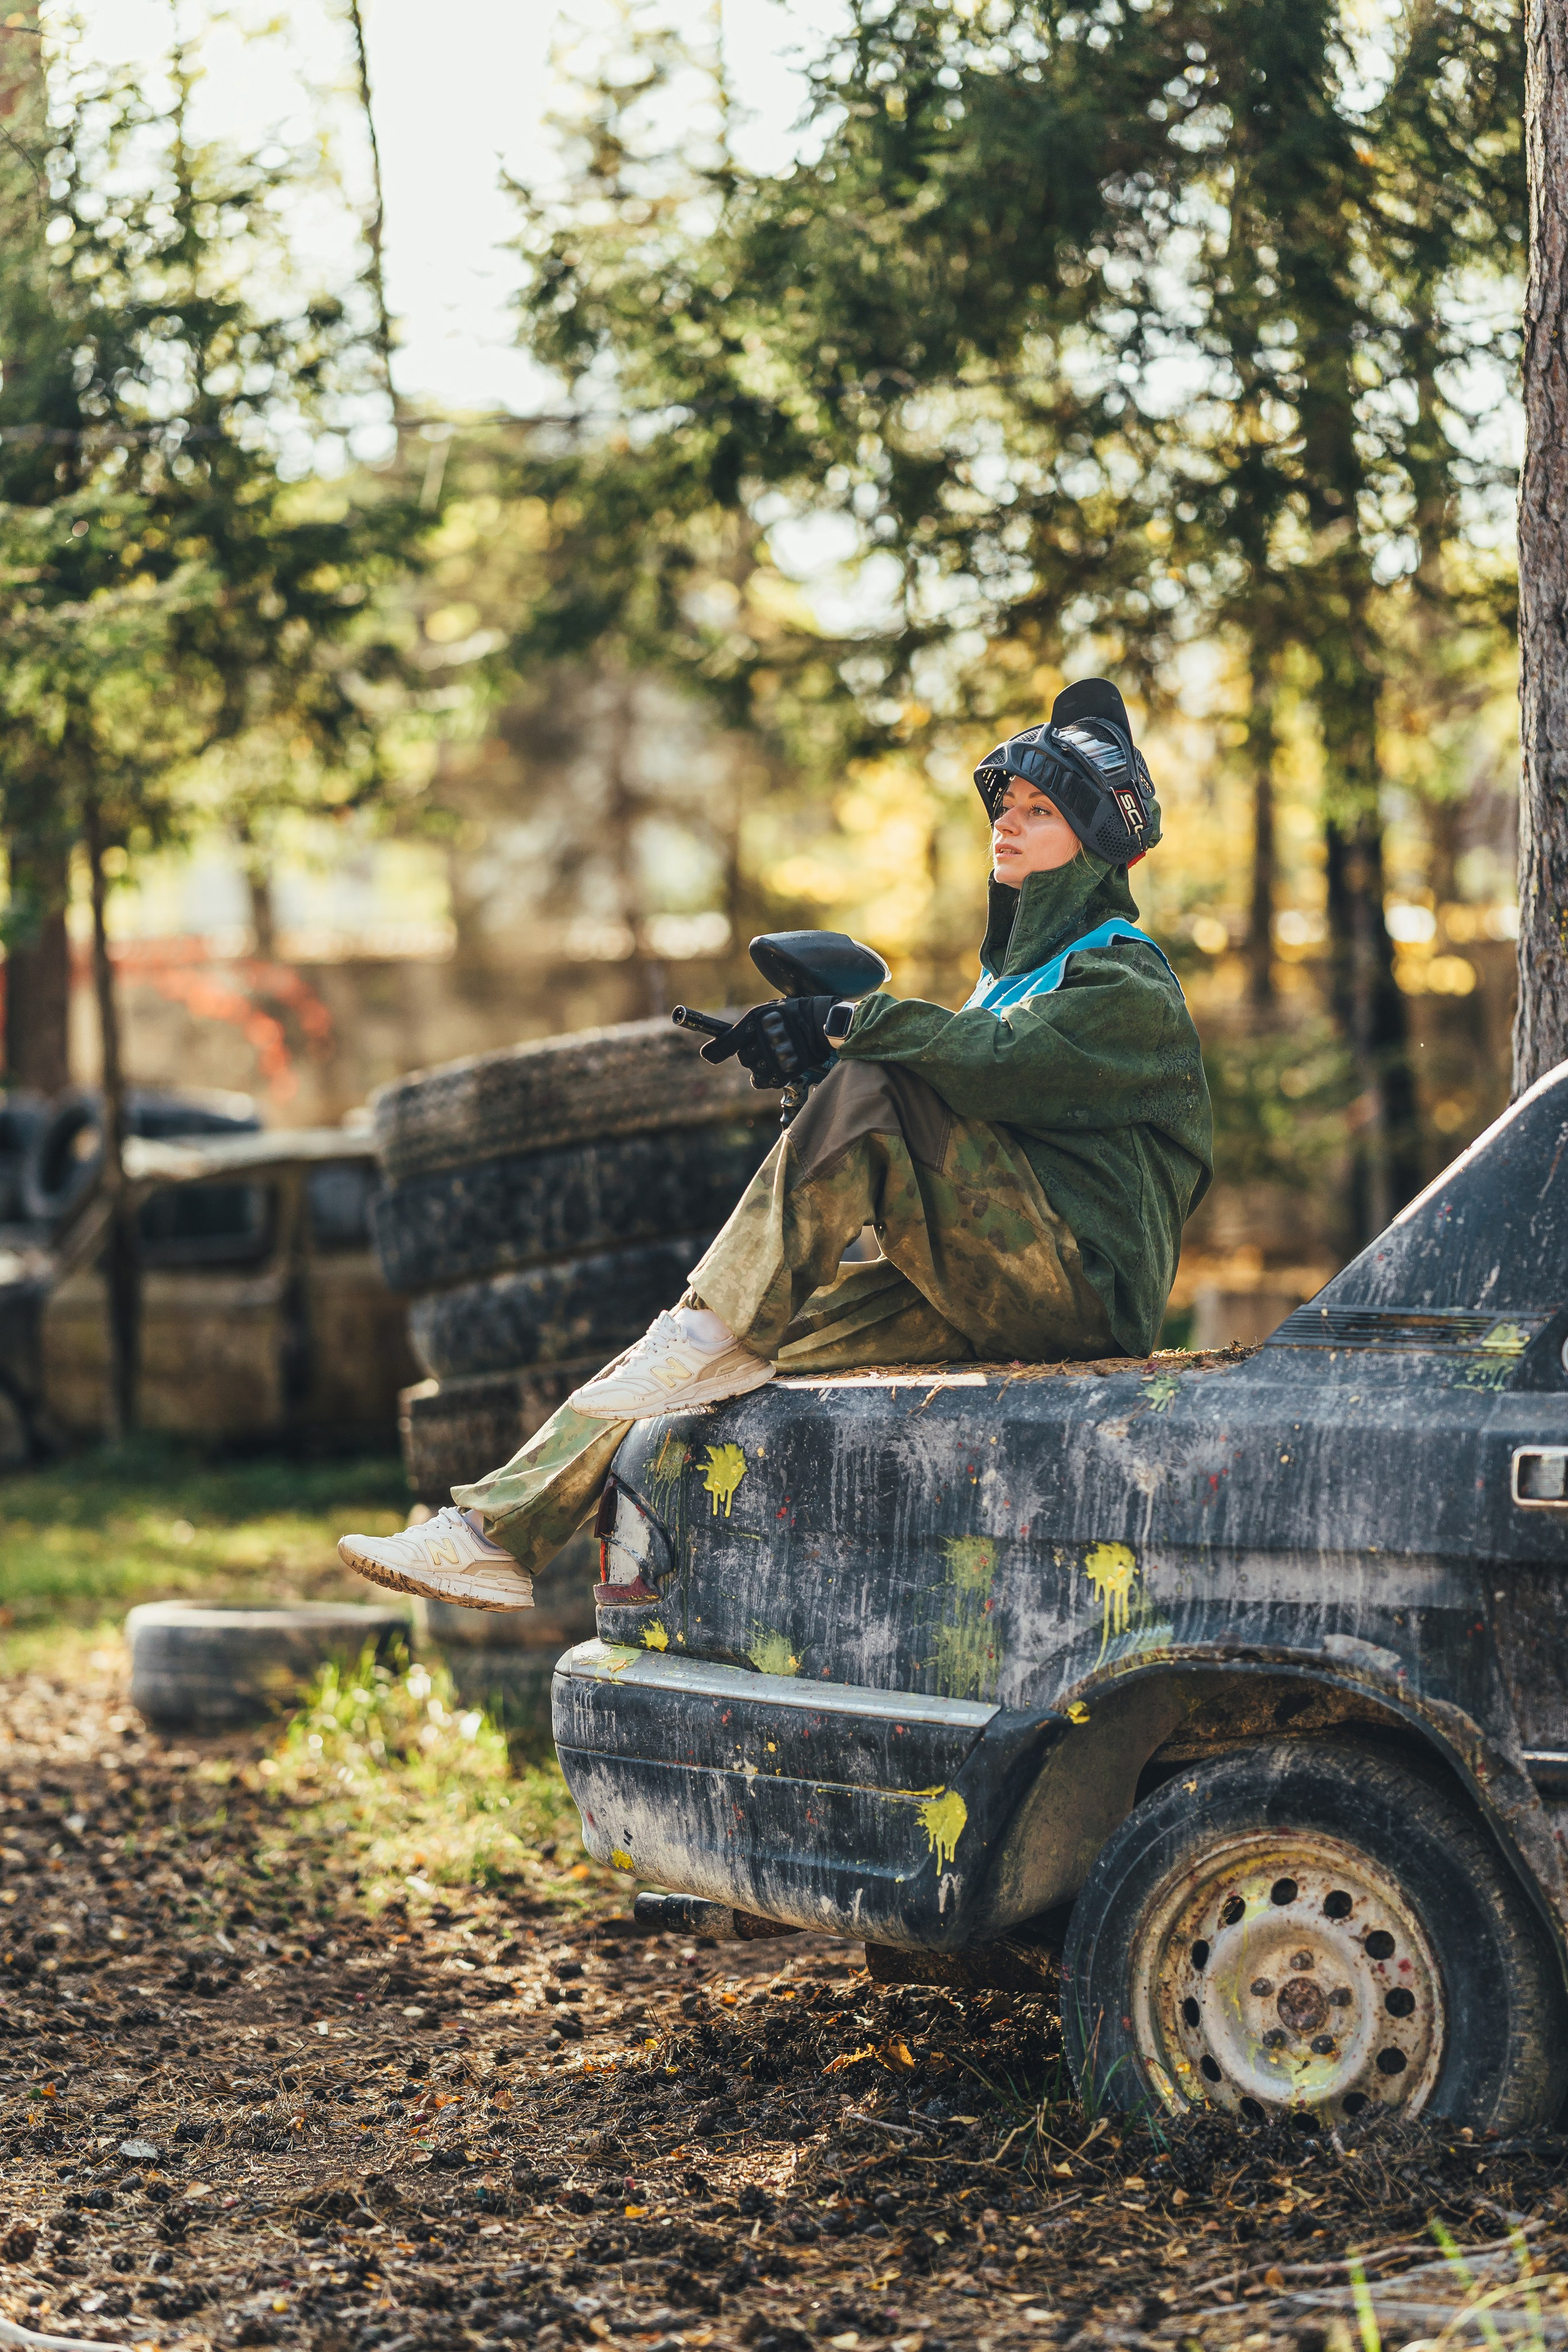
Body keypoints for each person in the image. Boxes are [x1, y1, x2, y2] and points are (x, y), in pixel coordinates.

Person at [338, 677, 1213, 1612]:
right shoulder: (1010, 978)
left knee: (860, 1107)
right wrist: (819, 1058)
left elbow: (997, 1064)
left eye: (1040, 812)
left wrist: (845, 1027)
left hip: (1082, 1287)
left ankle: (706, 1328)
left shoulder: (1125, 981)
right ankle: (492, 1537)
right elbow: (960, 1082)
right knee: (701, 1353)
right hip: (997, 1277)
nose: (1006, 822)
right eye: (1007, 804)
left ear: (1098, 845)